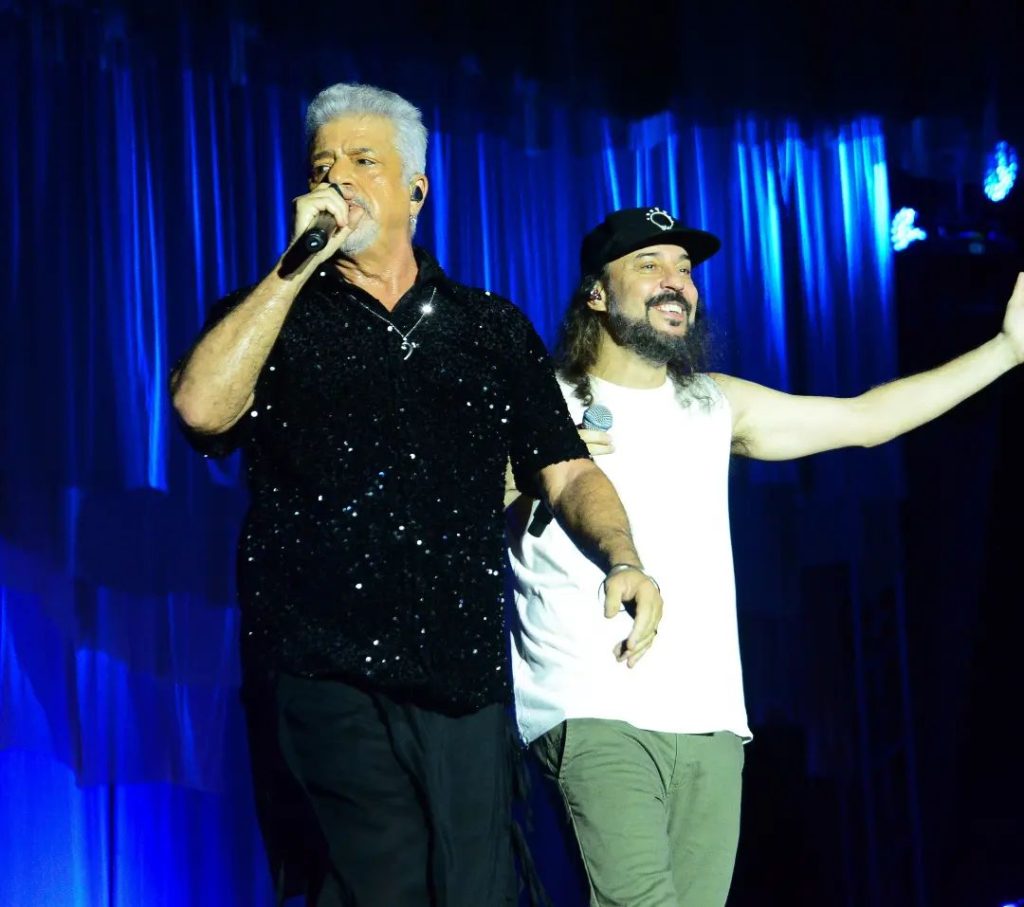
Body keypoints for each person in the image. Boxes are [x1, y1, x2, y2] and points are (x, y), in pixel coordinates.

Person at [170, 87, 662, 907]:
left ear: (417, 189)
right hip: (320, 664)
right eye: (323, 165)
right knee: (378, 880)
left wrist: (624, 556)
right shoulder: (273, 315)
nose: (340, 180)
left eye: (365, 162)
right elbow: (199, 408)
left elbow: (566, 469)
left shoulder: (488, 327)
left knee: (477, 889)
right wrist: (294, 267)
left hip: (462, 673)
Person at [506, 205, 1024, 907]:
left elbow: (864, 419)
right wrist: (512, 473)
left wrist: (1005, 350)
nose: (675, 283)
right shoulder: (539, 404)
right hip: (591, 708)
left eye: (685, 270)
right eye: (649, 265)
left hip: (711, 721)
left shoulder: (714, 404)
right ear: (596, 293)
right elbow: (440, 510)